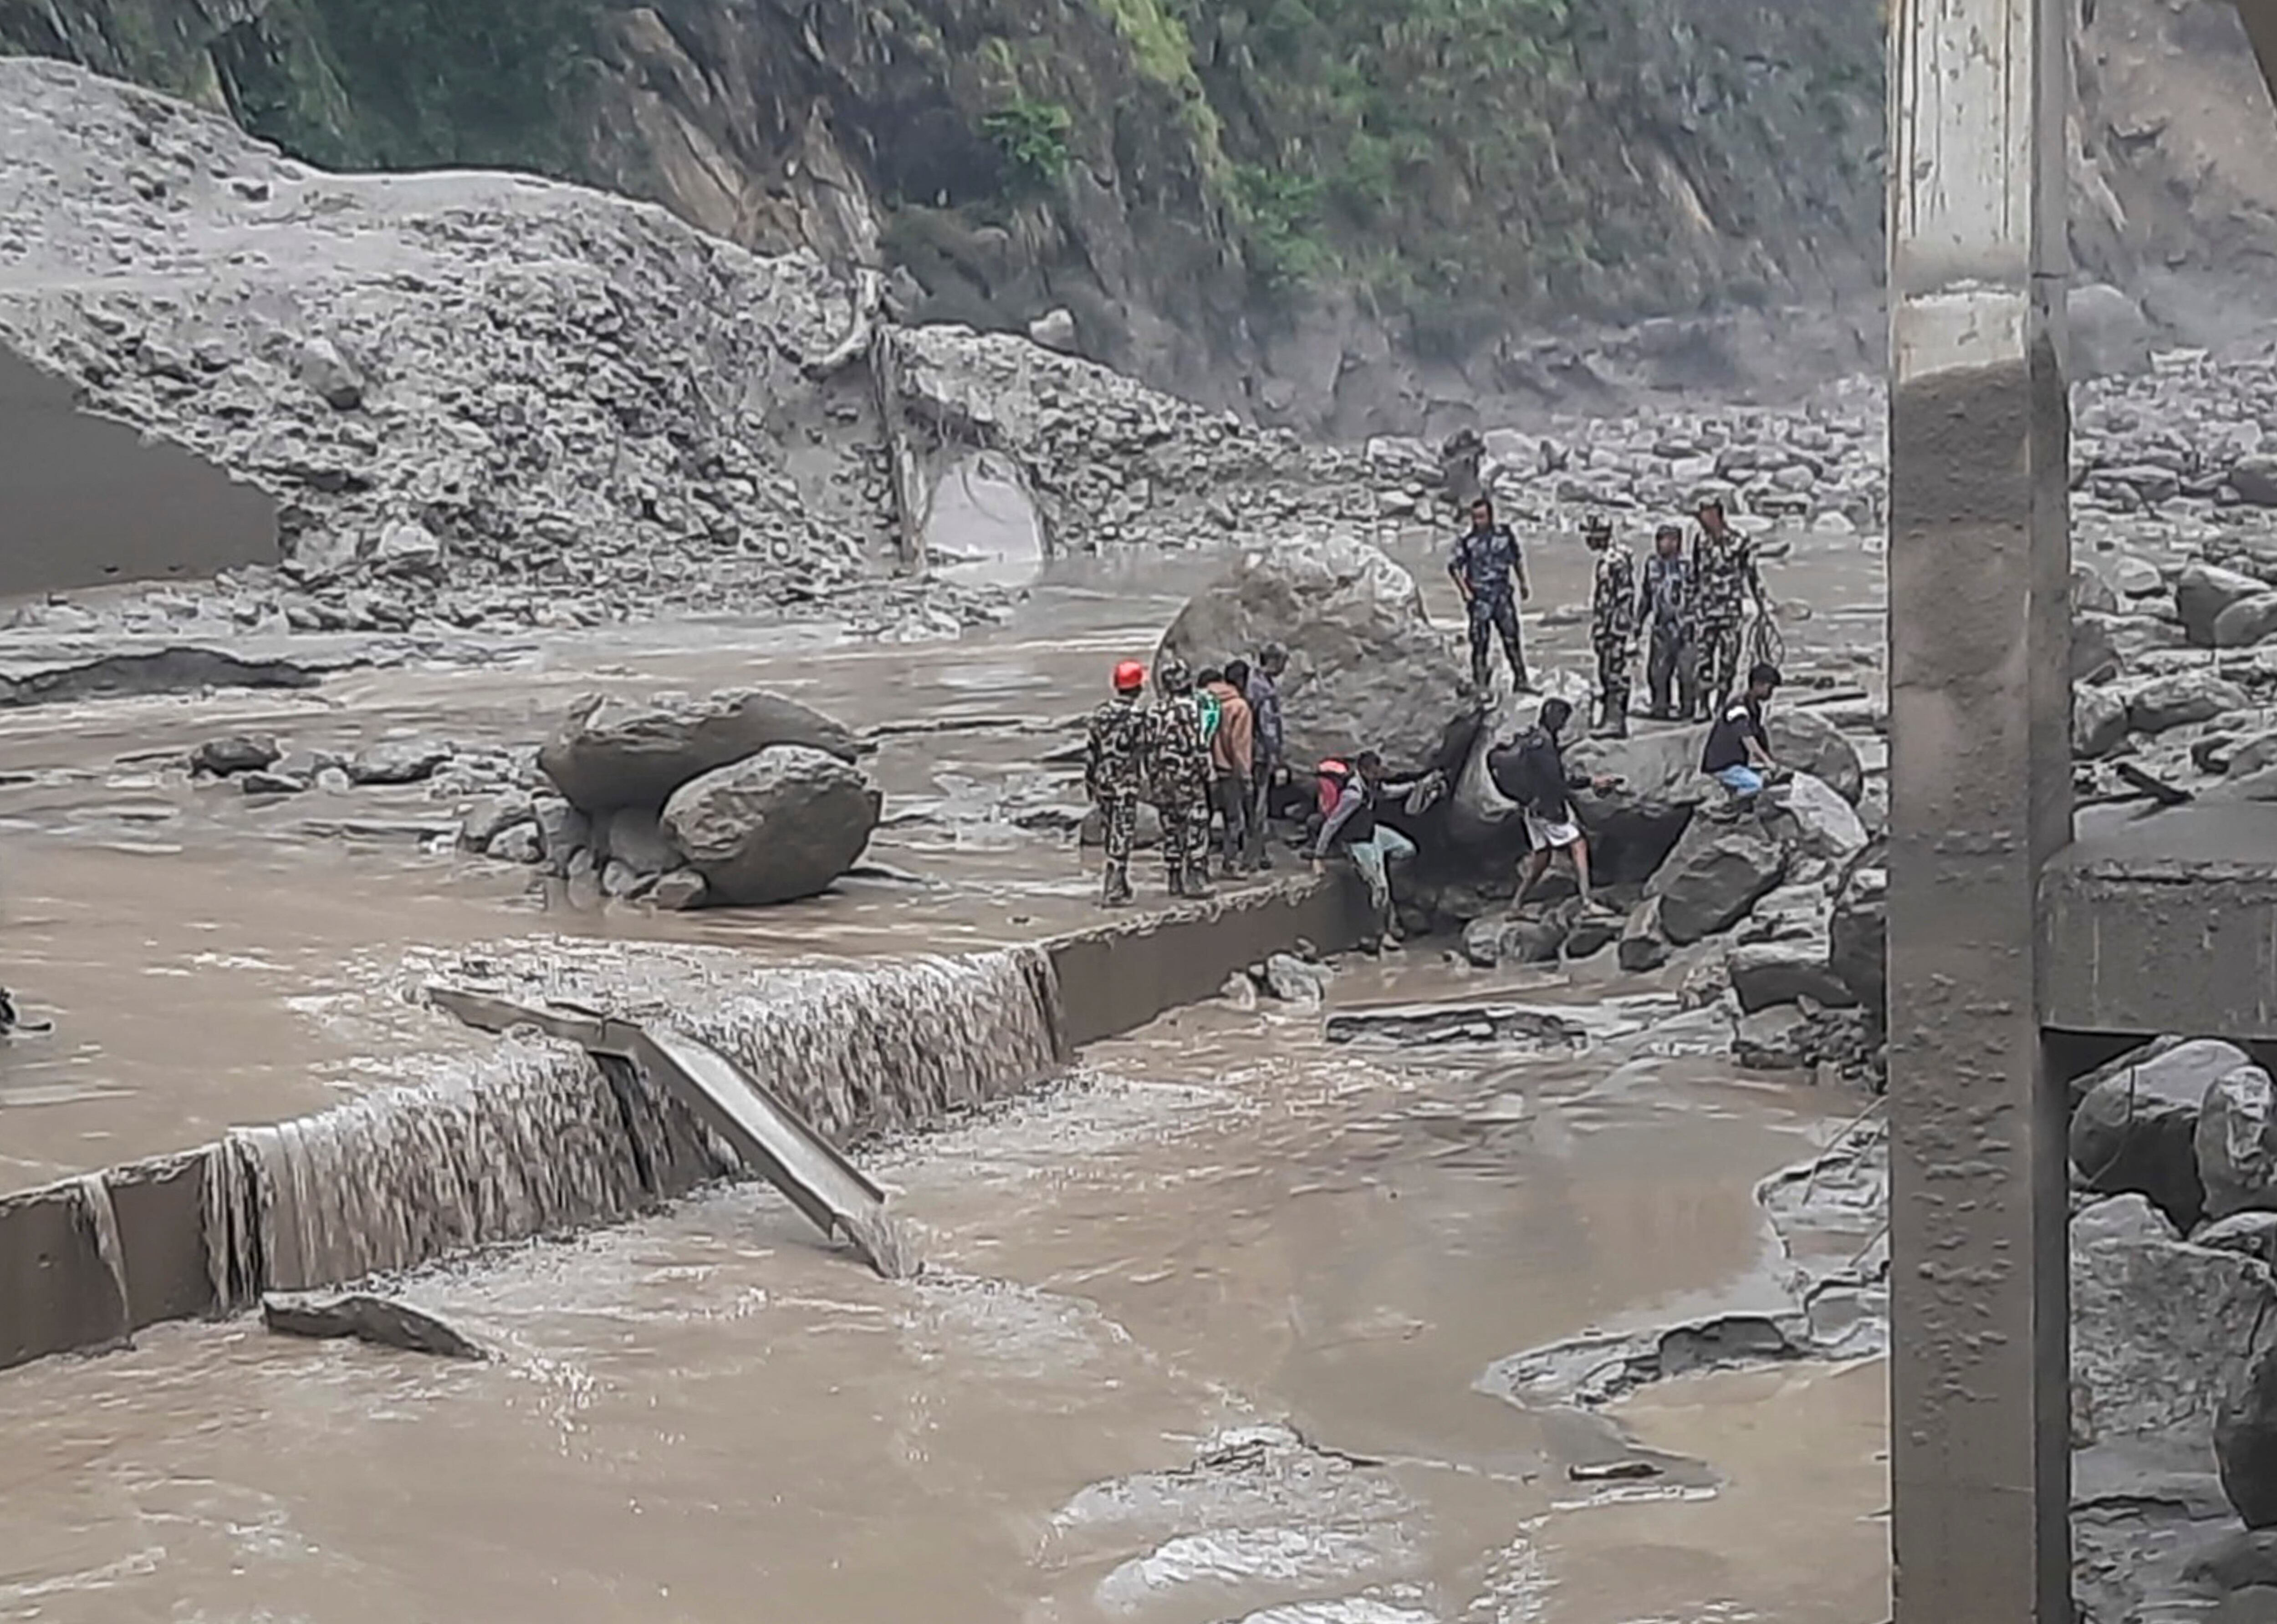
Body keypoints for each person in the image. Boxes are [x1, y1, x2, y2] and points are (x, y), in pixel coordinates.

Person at [1490, 698, 1618, 915]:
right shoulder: (1545, 745)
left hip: (1530, 807)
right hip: (1546, 807)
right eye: (1563, 719)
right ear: (1556, 718)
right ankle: (1587, 902)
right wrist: (1591, 782)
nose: (1565, 724)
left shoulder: (1532, 738)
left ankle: (1516, 906)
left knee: (1542, 858)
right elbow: (1557, 782)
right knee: (1578, 844)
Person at [1311, 751, 1439, 942]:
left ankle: (1386, 874)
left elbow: (1388, 792)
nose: (1377, 776)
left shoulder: (1372, 785)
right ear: (1363, 771)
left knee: (1407, 849)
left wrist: (1415, 786)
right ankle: (1382, 932)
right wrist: (1319, 856)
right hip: (1358, 842)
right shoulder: (1353, 795)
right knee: (1380, 889)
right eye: (1374, 773)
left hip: (1373, 831)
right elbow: (1333, 823)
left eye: (1378, 772)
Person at [1142, 655, 1215, 898]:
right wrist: (1209, 775)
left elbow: (1147, 748)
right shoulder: (1191, 709)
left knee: (1171, 829)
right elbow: (1199, 746)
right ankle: (1195, 879)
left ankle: (1174, 878)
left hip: (1162, 781)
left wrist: (1152, 778)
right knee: (1196, 826)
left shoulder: (1153, 711)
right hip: (1188, 780)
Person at [1690, 495, 1766, 719]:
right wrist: (1690, 605)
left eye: (1707, 513)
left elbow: (1751, 574)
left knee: (1728, 660)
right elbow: (1695, 574)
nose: (1703, 519)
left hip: (1730, 611)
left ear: (1718, 513)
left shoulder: (1739, 540)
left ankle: (1721, 703)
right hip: (1705, 610)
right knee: (1703, 660)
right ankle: (1703, 705)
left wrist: (1761, 605)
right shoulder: (1700, 541)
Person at [1448, 495, 1531, 695]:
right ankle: (1481, 685)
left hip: (1502, 593)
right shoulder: (1468, 541)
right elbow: (1454, 567)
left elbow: (1517, 559)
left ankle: (1521, 680)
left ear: (1491, 516)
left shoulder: (1504, 535)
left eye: (1482, 517)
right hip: (1480, 597)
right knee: (1480, 642)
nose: (1478, 522)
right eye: (1475, 518)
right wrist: (1465, 591)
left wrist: (1523, 583)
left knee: (1512, 638)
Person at [1083, 659, 1149, 907]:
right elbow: (1144, 750)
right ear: (1137, 688)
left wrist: (1090, 781)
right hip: (1125, 783)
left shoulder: (1100, 714)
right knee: (1123, 834)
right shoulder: (1138, 717)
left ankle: (1120, 883)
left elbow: (1091, 751)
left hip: (1103, 781)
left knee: (1110, 831)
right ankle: (1113, 888)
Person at [1636, 522, 1699, 722]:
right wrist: (1639, 622)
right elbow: (1647, 594)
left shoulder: (1689, 566)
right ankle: (1660, 707)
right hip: (1661, 626)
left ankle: (1687, 709)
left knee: (1686, 672)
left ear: (1676, 541)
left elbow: (1700, 595)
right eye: (1659, 539)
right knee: (1657, 672)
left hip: (1686, 627)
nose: (1661, 544)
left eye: (1665, 539)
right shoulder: (1652, 564)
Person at [1585, 514, 1639, 738]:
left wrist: (1612, 631)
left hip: (1614, 630)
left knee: (1614, 674)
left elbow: (1619, 600)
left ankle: (1615, 722)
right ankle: (1611, 719)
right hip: (1610, 627)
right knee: (1608, 673)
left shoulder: (1613, 561)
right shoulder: (1613, 558)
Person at [1702, 662, 1784, 807]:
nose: (1771, 693)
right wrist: (1767, 762)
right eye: (1769, 688)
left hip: (1738, 765)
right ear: (1757, 684)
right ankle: (1731, 809)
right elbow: (1747, 738)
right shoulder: (1737, 708)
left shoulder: (1755, 709)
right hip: (1723, 766)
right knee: (1755, 785)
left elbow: (1759, 737)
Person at [1205, 660, 1257, 876]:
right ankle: (1230, 864)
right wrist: (1246, 776)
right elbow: (1239, 745)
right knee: (1233, 820)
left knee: (1203, 819)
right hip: (1228, 771)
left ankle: (1198, 865)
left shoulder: (1203, 703)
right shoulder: (1239, 707)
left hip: (1203, 771)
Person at [1243, 643, 1288, 870]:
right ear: (1274, 661)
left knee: (1249, 804)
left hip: (1246, 750)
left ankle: (1251, 852)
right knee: (1259, 806)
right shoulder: (1265, 690)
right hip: (1260, 754)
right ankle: (1254, 856)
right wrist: (1277, 757)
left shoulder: (1250, 681)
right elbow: (1268, 727)